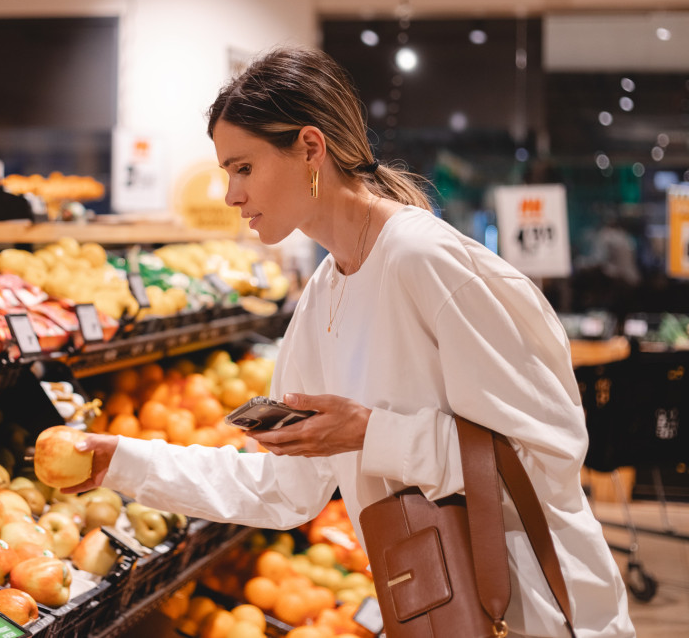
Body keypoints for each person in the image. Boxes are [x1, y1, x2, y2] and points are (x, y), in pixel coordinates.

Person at [65, 47, 634, 637]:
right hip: (442, 611)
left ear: (310, 148)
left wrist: (370, 433)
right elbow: (288, 492)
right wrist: (122, 463)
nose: (231, 196)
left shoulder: (423, 259)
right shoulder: (324, 293)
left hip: (539, 611)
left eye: (243, 168)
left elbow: (547, 451)